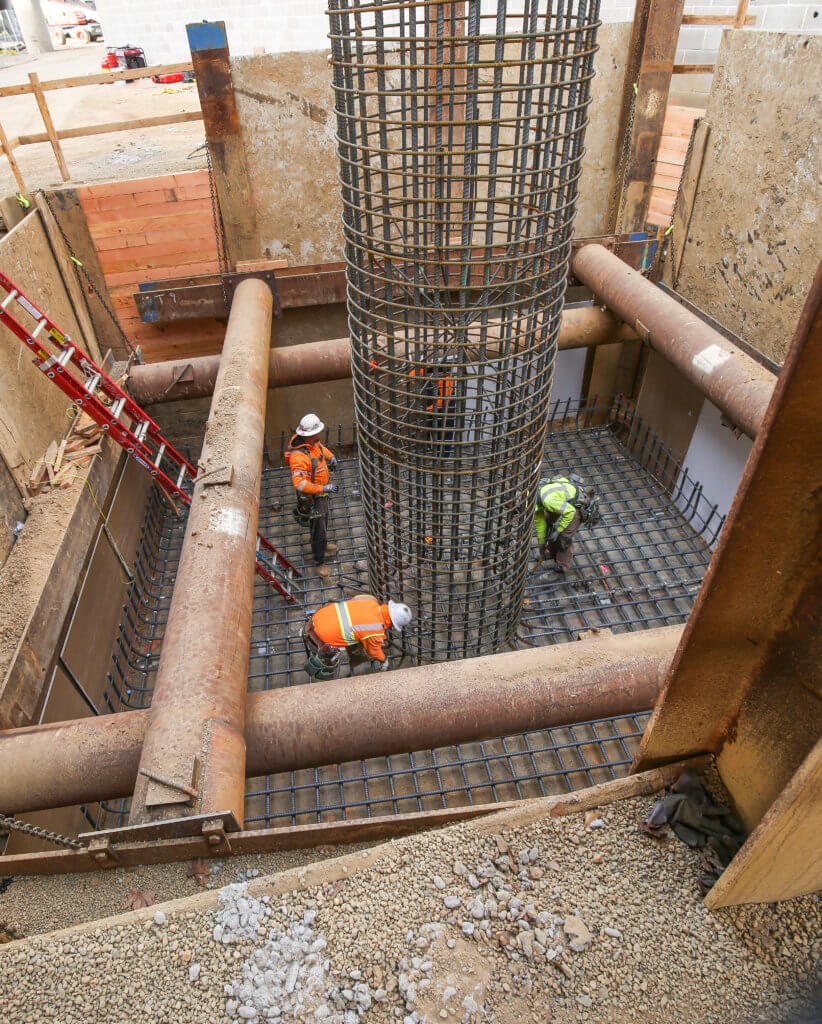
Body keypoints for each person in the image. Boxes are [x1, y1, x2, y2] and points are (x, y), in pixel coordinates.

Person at [302, 595, 413, 680]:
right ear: (394, 623)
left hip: (317, 617)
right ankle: (330, 672)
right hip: (319, 638)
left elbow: (355, 612)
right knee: (329, 662)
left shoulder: (370, 599)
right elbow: (373, 652)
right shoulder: (374, 632)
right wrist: (384, 660)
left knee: (356, 633)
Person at [286, 413, 338, 579]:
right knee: (318, 530)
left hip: (322, 494)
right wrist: (324, 487)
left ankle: (322, 547)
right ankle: (319, 562)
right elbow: (299, 484)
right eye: (317, 433)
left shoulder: (313, 444)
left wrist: (331, 457)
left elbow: (322, 449)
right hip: (313, 497)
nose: (319, 435)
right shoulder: (299, 457)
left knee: (323, 523)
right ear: (309, 435)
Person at [533, 473, 599, 574]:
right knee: (549, 526)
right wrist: (542, 543)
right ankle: (552, 553)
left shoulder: (548, 500)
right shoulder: (533, 497)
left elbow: (570, 511)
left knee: (563, 537)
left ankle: (562, 567)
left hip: (575, 507)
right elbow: (540, 523)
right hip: (562, 501)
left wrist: (558, 531)